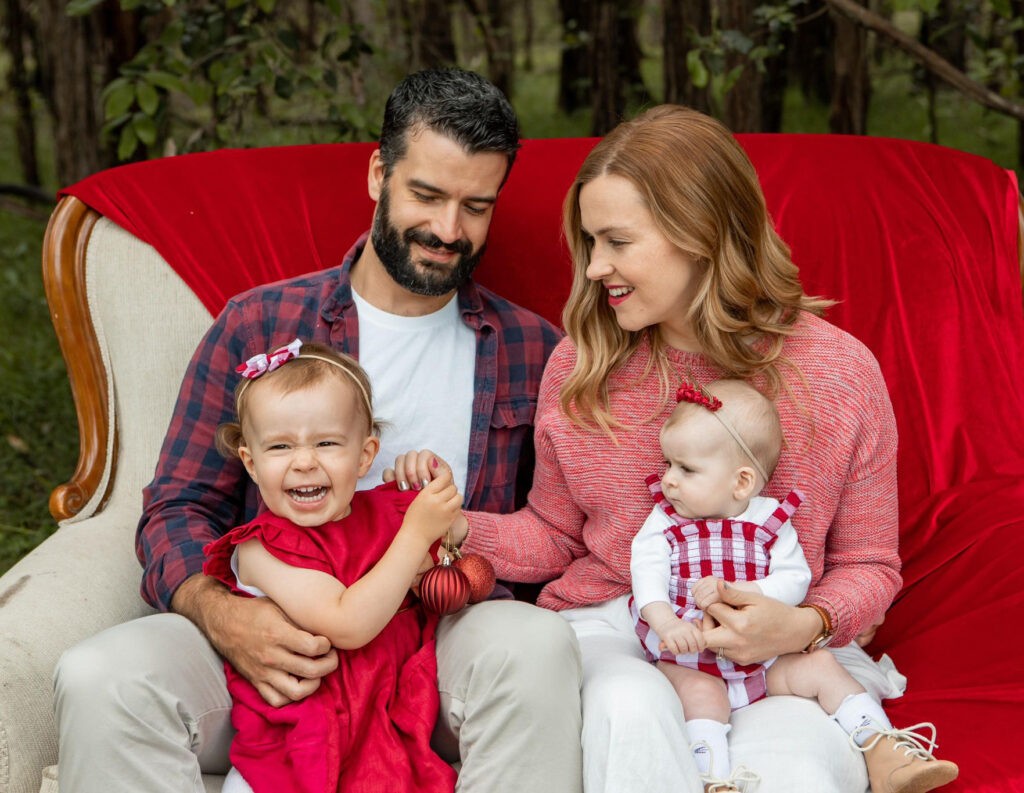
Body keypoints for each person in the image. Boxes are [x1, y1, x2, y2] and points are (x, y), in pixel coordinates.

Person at [52, 68, 582, 793]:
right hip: (280, 642)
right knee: (100, 676)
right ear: (378, 174)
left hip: (440, 643)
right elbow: (178, 504)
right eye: (427, 195)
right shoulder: (260, 324)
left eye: (476, 206)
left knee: (537, 644)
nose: (448, 230)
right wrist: (221, 613)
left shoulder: (532, 348)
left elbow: (559, 526)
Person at [402, 102, 925, 793]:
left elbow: (868, 563)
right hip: (617, 628)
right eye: (590, 242)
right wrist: (455, 527)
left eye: (617, 242)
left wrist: (802, 622)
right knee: (629, 709)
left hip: (781, 650)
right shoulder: (582, 366)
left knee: (797, 768)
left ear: (700, 233)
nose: (595, 267)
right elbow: (555, 534)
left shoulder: (838, 373)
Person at [629, 378, 958, 793]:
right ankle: (712, 778)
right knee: (700, 696)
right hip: (693, 657)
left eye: (686, 469)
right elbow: (647, 575)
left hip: (766, 655)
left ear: (741, 482)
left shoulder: (770, 522)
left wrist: (748, 594)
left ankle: (883, 750)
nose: (669, 480)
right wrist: (668, 625)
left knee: (822, 667)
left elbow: (795, 577)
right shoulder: (665, 520)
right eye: (668, 464)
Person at [206, 340, 462, 793]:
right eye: (280, 446)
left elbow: (455, 530)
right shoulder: (259, 549)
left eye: (326, 443)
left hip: (387, 729)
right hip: (295, 747)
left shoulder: (388, 515)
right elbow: (348, 623)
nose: (305, 462)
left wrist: (432, 484)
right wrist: (415, 534)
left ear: (364, 456)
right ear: (251, 462)